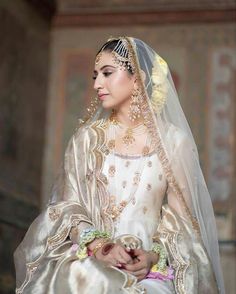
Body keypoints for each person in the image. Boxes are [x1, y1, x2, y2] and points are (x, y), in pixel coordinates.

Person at [14, 37, 225, 294]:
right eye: (95, 75)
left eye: (107, 73)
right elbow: (68, 208)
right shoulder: (87, 139)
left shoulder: (173, 143)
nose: (97, 84)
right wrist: (101, 247)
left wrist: (152, 257)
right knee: (88, 281)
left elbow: (182, 221)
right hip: (89, 262)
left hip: (147, 270)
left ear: (138, 78)